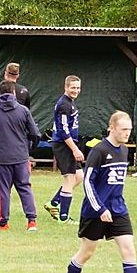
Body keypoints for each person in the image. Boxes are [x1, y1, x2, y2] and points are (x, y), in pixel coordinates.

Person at [57, 111, 137, 273]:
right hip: (95, 211)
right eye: (123, 129)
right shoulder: (99, 151)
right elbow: (87, 182)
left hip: (118, 208)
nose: (127, 133)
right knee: (87, 252)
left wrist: (114, 204)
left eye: (129, 129)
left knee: (128, 249)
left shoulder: (124, 150)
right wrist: (100, 208)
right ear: (111, 128)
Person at [0, 81, 40, 232]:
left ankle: (2, 222)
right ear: (14, 92)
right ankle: (31, 222)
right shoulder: (23, 110)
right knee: (25, 187)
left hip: (0, 157)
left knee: (3, 190)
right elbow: (35, 134)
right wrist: (28, 149)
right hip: (21, 156)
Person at [45, 75, 84, 224]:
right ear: (66, 87)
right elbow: (62, 130)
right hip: (63, 145)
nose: (76, 90)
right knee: (69, 178)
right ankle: (63, 217)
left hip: (69, 143)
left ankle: (53, 203)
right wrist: (74, 149)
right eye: (73, 87)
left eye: (78, 88)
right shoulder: (63, 105)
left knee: (79, 176)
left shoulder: (70, 103)